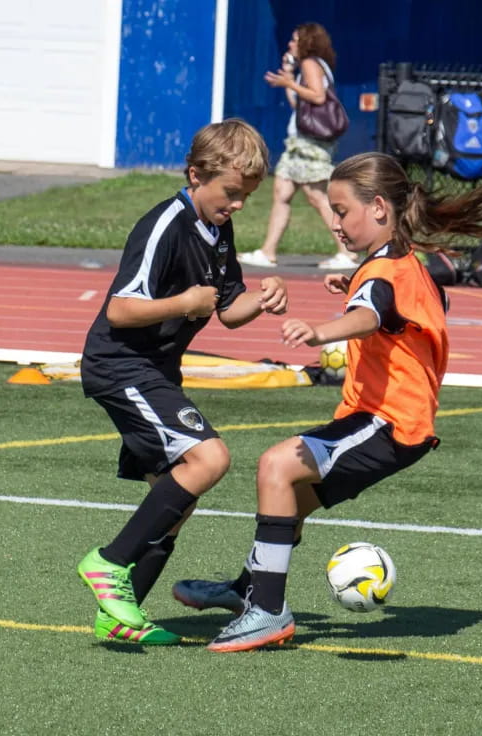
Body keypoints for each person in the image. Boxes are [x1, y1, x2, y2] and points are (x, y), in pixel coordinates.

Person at [173, 152, 482, 652]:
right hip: (393, 423)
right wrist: (353, 287)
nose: (333, 222)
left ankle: (267, 613)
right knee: (294, 499)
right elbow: (419, 306)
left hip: (388, 423)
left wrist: (321, 330)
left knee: (276, 467)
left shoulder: (381, 277)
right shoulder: (400, 263)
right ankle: (250, 589)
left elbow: (371, 316)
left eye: (340, 210)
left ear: (378, 208)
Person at [77, 118, 288, 645]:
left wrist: (263, 298)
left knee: (176, 500)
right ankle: (109, 563)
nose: (238, 205)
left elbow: (230, 311)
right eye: (231, 193)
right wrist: (183, 303)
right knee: (210, 458)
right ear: (196, 174)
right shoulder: (164, 224)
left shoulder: (218, 227)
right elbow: (121, 310)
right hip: (121, 364)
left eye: (247, 197)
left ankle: (119, 617)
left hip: (155, 371)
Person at [239, 22, 356, 271]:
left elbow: (317, 96)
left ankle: (346, 251)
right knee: (281, 192)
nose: (290, 43)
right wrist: (289, 77)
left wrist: (290, 84)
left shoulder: (311, 63)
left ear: (307, 42)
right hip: (299, 142)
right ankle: (268, 251)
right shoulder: (310, 66)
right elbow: (299, 104)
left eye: (295, 39)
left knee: (316, 196)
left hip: (309, 144)